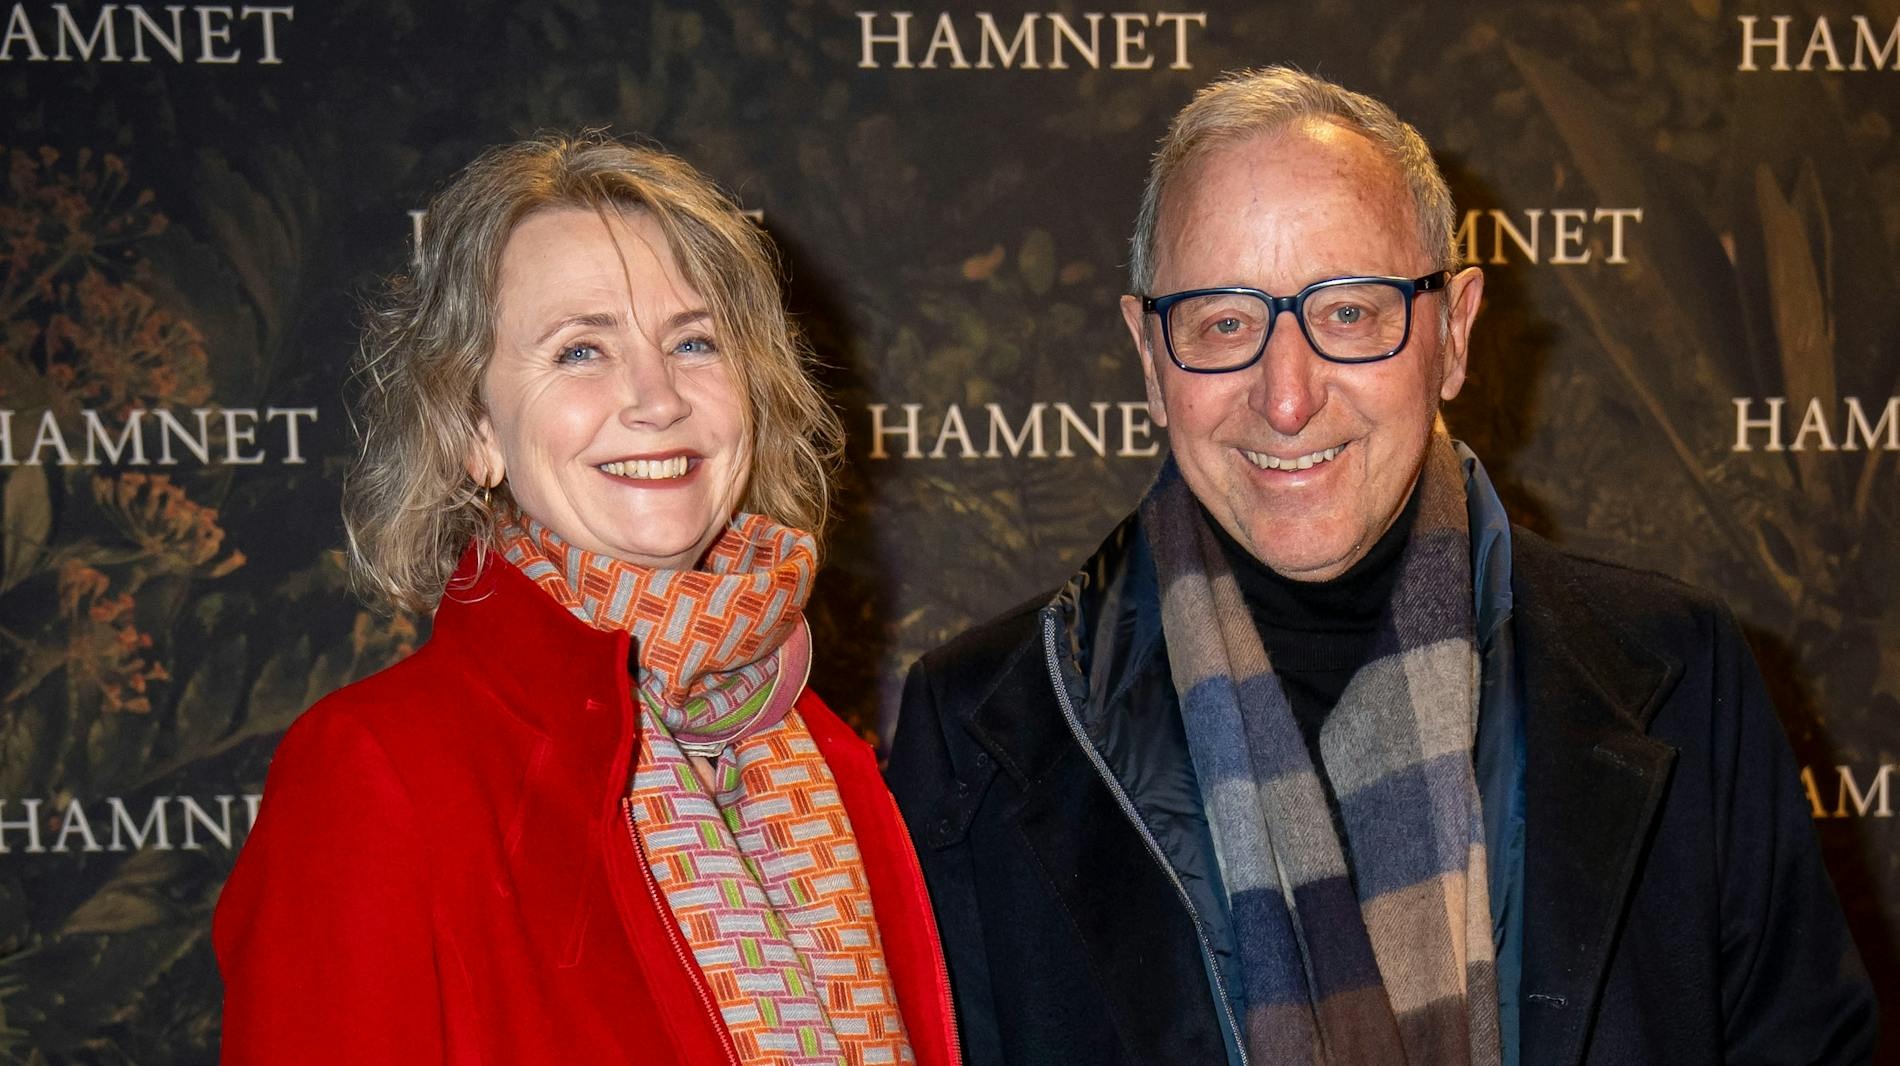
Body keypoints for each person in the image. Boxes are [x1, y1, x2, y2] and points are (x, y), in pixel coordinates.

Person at [887, 67, 1875, 1066]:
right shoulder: (981, 728)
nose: (1286, 397)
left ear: (1454, 333)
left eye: (1350, 313)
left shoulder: (1679, 675)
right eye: (1224, 322)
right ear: (1150, 357)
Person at [215, 134, 959, 1066]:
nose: (657, 398)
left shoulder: (824, 752)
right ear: (474, 430)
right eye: (580, 351)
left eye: (694, 342)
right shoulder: (374, 772)